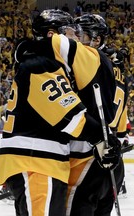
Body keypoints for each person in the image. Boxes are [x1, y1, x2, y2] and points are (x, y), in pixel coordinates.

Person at [0, 9, 121, 216]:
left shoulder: (43, 63)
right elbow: (71, 117)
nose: (75, 38)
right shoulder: (40, 65)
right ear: (52, 35)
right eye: (70, 32)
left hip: (43, 161)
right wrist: (102, 139)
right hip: (35, 160)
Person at [64, 13, 129, 216]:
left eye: (80, 35)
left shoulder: (88, 63)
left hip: (87, 155)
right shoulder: (117, 68)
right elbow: (120, 117)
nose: (74, 39)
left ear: (97, 39)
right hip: (112, 158)